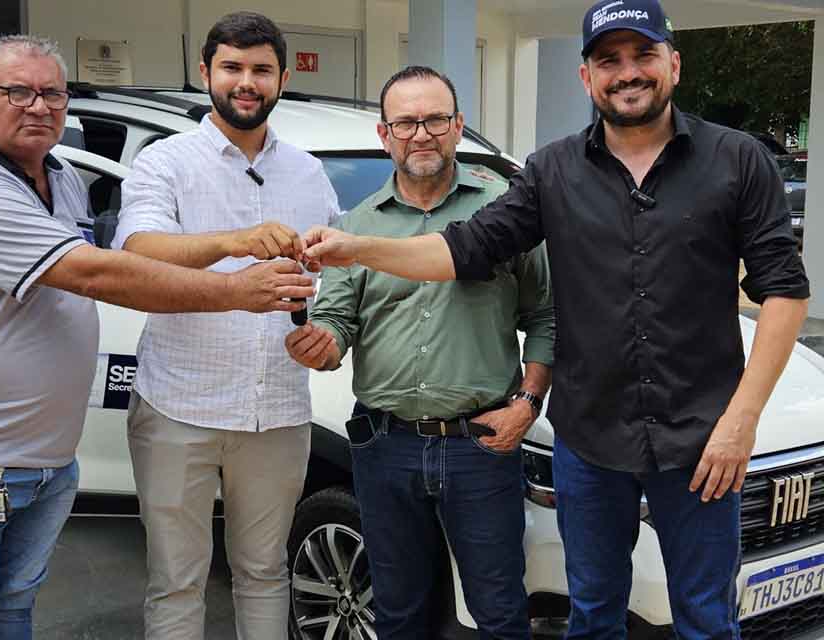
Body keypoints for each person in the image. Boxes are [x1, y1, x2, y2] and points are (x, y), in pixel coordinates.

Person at [302, 1, 810, 637]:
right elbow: (464, 250)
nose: (627, 73)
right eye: (608, 60)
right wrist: (358, 247)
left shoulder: (738, 160)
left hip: (703, 439)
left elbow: (785, 292)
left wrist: (741, 422)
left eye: (643, 55)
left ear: (673, 65)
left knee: (707, 619)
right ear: (587, 77)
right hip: (589, 443)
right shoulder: (552, 170)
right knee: (593, 616)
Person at [0, 34, 314, 640]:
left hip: (45, 454)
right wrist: (235, 287)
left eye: (51, 94)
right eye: (17, 92)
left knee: (12, 608)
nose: (37, 106)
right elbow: (96, 271)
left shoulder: (58, 175)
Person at [286, 66, 555, 639]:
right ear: (385, 134)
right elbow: (336, 323)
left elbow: (547, 316)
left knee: (501, 610)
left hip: (480, 444)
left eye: (435, 119)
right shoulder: (354, 227)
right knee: (399, 610)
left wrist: (527, 404)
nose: (421, 134)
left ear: (458, 127)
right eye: (406, 122)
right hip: (385, 447)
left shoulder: (505, 214)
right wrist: (322, 345)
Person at [111, 12, 340, 640]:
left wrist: (329, 333)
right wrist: (235, 242)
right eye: (233, 67)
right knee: (177, 579)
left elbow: (336, 273)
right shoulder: (165, 162)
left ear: (283, 78)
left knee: (265, 572)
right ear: (205, 72)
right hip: (179, 403)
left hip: (279, 408)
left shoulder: (307, 171)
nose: (247, 81)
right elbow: (137, 249)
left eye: (261, 69)